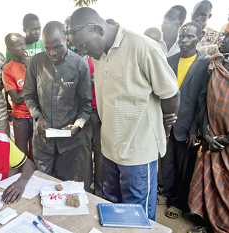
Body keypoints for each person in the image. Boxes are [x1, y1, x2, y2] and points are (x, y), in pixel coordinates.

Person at [68, 7, 180, 221]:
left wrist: (163, 132)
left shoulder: (142, 46)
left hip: (138, 153)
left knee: (137, 216)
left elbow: (171, 95)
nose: (82, 50)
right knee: (112, 208)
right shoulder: (98, 54)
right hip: (110, 149)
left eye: (83, 44)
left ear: (97, 29)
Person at [23, 21, 92, 181]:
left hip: (69, 143)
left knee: (64, 183)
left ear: (67, 40)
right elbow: (28, 96)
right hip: (43, 142)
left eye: (57, 47)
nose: (52, 53)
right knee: (41, 181)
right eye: (47, 48)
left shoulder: (80, 65)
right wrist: (38, 116)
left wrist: (78, 125)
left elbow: (86, 104)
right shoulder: (35, 63)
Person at [162, 22, 211, 219]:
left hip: (188, 126)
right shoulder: (170, 60)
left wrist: (194, 130)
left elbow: (202, 98)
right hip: (168, 122)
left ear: (198, 38)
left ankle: (178, 203)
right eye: (182, 36)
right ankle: (167, 194)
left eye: (189, 36)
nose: (184, 40)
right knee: (167, 162)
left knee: (184, 167)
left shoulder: (204, 62)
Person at [187, 21, 229, 233]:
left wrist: (227, 138)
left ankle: (221, 227)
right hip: (211, 133)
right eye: (223, 36)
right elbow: (204, 97)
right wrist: (205, 131)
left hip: (227, 142)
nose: (223, 41)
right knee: (208, 179)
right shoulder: (216, 63)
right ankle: (205, 221)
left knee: (226, 186)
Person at [3, 33, 33, 162]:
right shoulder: (8, 69)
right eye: (18, 45)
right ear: (9, 48)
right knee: (21, 152)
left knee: (36, 151)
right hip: (20, 117)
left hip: (37, 115)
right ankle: (22, 177)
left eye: (24, 44)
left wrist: (31, 69)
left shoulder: (32, 63)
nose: (23, 47)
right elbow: (17, 99)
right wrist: (32, 81)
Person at [75, 54, 102, 196]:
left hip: (103, 114)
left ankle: (100, 195)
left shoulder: (107, 59)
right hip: (84, 113)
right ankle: (83, 192)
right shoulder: (83, 60)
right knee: (83, 156)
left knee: (102, 156)